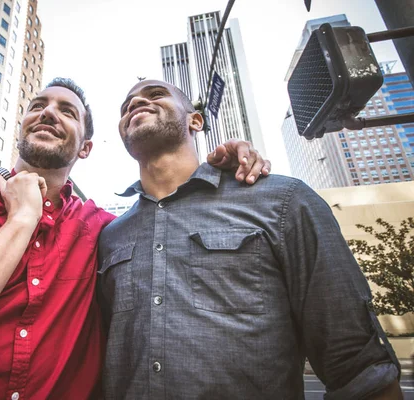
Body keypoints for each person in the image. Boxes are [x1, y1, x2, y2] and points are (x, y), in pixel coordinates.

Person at [0, 77, 270, 400]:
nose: (48, 112)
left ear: (86, 148)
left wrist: (225, 166)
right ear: (23, 126)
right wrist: (21, 220)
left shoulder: (105, 229)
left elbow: (173, 212)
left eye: (67, 111)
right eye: (38, 106)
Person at [97, 79, 403, 399]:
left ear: (195, 120)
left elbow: (357, 365)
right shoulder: (109, 237)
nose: (135, 103)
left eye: (156, 94)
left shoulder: (284, 201)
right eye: (126, 105)